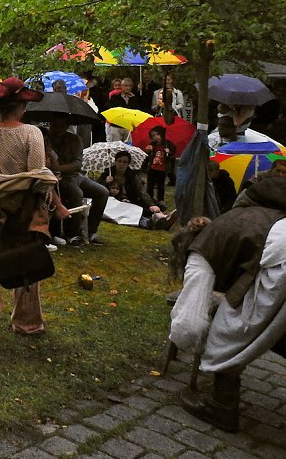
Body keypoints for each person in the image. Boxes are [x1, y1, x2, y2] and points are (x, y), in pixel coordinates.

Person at [0, 77, 69, 347]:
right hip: (24, 208)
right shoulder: (31, 133)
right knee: (27, 259)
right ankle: (27, 324)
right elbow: (38, 176)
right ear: (21, 106)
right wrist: (54, 204)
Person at [169, 178, 286, 431]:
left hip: (281, 264)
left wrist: (189, 340)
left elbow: (190, 320)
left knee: (227, 330)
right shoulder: (254, 215)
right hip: (277, 257)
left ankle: (221, 408)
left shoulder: (202, 248)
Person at [48, 114, 109, 246]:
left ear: (67, 127)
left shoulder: (75, 139)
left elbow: (77, 164)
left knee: (102, 192)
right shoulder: (45, 139)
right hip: (57, 178)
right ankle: (72, 233)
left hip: (75, 175)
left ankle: (91, 231)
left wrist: (59, 167)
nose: (57, 129)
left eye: (61, 126)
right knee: (76, 193)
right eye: (54, 125)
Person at [98, 151, 177, 230]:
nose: (121, 164)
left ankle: (164, 218)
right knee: (130, 214)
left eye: (125, 162)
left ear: (128, 164)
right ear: (115, 161)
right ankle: (152, 222)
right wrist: (105, 182)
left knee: (145, 209)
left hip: (130, 202)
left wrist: (151, 204)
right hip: (112, 203)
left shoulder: (132, 176)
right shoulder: (107, 173)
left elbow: (141, 192)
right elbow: (97, 190)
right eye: (119, 161)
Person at [143, 125, 175, 203]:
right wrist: (148, 150)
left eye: (157, 135)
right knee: (150, 185)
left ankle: (160, 200)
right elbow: (147, 155)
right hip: (152, 168)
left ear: (161, 134)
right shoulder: (153, 144)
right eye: (153, 136)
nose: (156, 137)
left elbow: (172, 154)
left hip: (162, 169)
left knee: (161, 186)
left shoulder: (167, 144)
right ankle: (149, 199)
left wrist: (169, 152)